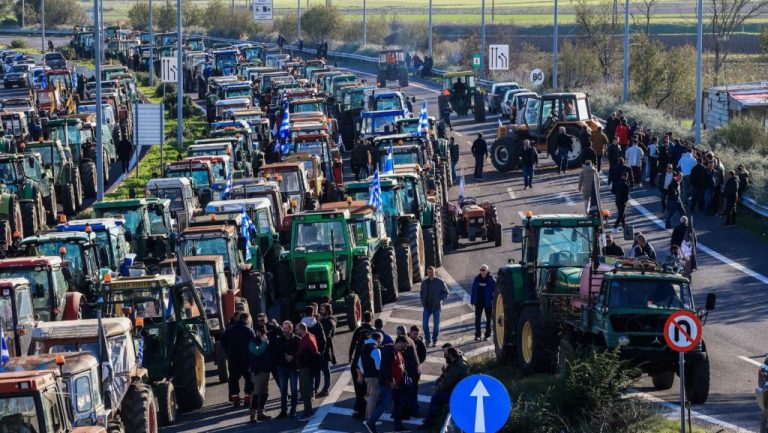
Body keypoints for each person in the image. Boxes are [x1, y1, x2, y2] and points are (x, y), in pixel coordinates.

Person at [420, 346, 470, 429]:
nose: (445, 357)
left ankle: (429, 422)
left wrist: (438, 387)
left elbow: (447, 383)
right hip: (458, 390)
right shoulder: (459, 361)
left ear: (450, 355)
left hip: (457, 393)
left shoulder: (456, 367)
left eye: (446, 355)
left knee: (436, 397)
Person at [366, 336, 408, 433]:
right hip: (387, 384)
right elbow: (384, 368)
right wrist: (391, 380)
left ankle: (398, 425)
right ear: (399, 342)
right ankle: (371, 422)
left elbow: (401, 365)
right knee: (385, 403)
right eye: (403, 345)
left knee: (399, 404)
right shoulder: (389, 351)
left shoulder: (398, 352)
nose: (404, 348)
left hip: (397, 384)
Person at [221, 313, 255, 408]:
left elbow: (222, 343)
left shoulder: (229, 330)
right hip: (246, 359)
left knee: (233, 379)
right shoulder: (249, 330)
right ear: (246, 320)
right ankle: (247, 399)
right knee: (248, 378)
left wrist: (229, 351)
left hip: (233, 359)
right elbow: (254, 343)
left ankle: (235, 399)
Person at [349, 311, 375, 419]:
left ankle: (360, 409)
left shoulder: (358, 330)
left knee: (358, 389)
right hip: (368, 366)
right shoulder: (373, 331)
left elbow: (352, 343)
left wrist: (350, 356)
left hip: (357, 365)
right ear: (371, 318)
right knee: (366, 390)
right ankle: (362, 409)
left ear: (363, 318)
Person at [276, 320, 300, 418]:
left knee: (294, 390)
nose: (284, 330)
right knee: (283, 390)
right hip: (282, 368)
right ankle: (283, 411)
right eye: (283, 328)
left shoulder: (297, 340)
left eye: (286, 328)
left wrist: (293, 357)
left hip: (294, 368)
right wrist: (284, 358)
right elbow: (276, 353)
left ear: (291, 329)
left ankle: (293, 410)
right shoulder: (279, 340)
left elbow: (300, 352)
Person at [248, 324, 272, 422]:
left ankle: (261, 413)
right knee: (256, 394)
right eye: (261, 332)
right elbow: (257, 352)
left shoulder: (267, 341)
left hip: (266, 371)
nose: (263, 334)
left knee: (265, 394)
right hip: (257, 372)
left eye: (264, 332)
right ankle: (253, 415)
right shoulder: (252, 342)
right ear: (257, 332)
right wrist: (264, 343)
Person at [420, 266, 449, 347]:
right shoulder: (424, 282)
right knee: (424, 324)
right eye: (429, 272)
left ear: (435, 272)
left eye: (432, 272)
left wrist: (439, 299)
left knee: (436, 326)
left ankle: (435, 340)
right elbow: (421, 292)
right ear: (427, 273)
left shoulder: (440, 281)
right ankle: (427, 339)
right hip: (427, 307)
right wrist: (422, 301)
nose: (430, 274)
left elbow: (446, 292)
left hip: (436, 307)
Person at [358, 331, 383, 426]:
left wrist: (365, 373)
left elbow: (359, 363)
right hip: (374, 377)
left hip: (367, 376)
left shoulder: (364, 347)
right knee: (373, 398)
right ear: (379, 340)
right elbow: (378, 366)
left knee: (369, 398)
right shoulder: (376, 349)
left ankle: (368, 417)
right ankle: (371, 420)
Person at [296, 322, 319, 421]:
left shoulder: (307, 339)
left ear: (301, 329)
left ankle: (308, 413)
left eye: (297, 329)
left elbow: (313, 352)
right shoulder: (310, 337)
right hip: (305, 367)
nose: (296, 331)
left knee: (305, 391)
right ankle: (308, 411)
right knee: (305, 390)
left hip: (306, 368)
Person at [471, 265, 495, 341]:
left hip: (488, 303)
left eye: (484, 270)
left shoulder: (492, 280)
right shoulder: (477, 279)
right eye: (481, 269)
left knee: (488, 320)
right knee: (477, 319)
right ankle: (477, 335)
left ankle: (487, 335)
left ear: (487, 271)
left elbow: (496, 292)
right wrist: (472, 301)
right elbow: (473, 290)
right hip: (478, 302)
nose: (482, 271)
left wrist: (494, 301)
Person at [316, 303, 336, 398]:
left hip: (326, 348)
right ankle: (318, 388)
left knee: (325, 369)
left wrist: (320, 322)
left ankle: (326, 389)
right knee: (321, 368)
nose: (321, 311)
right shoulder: (325, 320)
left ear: (327, 310)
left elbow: (326, 333)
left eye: (323, 309)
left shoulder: (330, 321)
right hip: (321, 347)